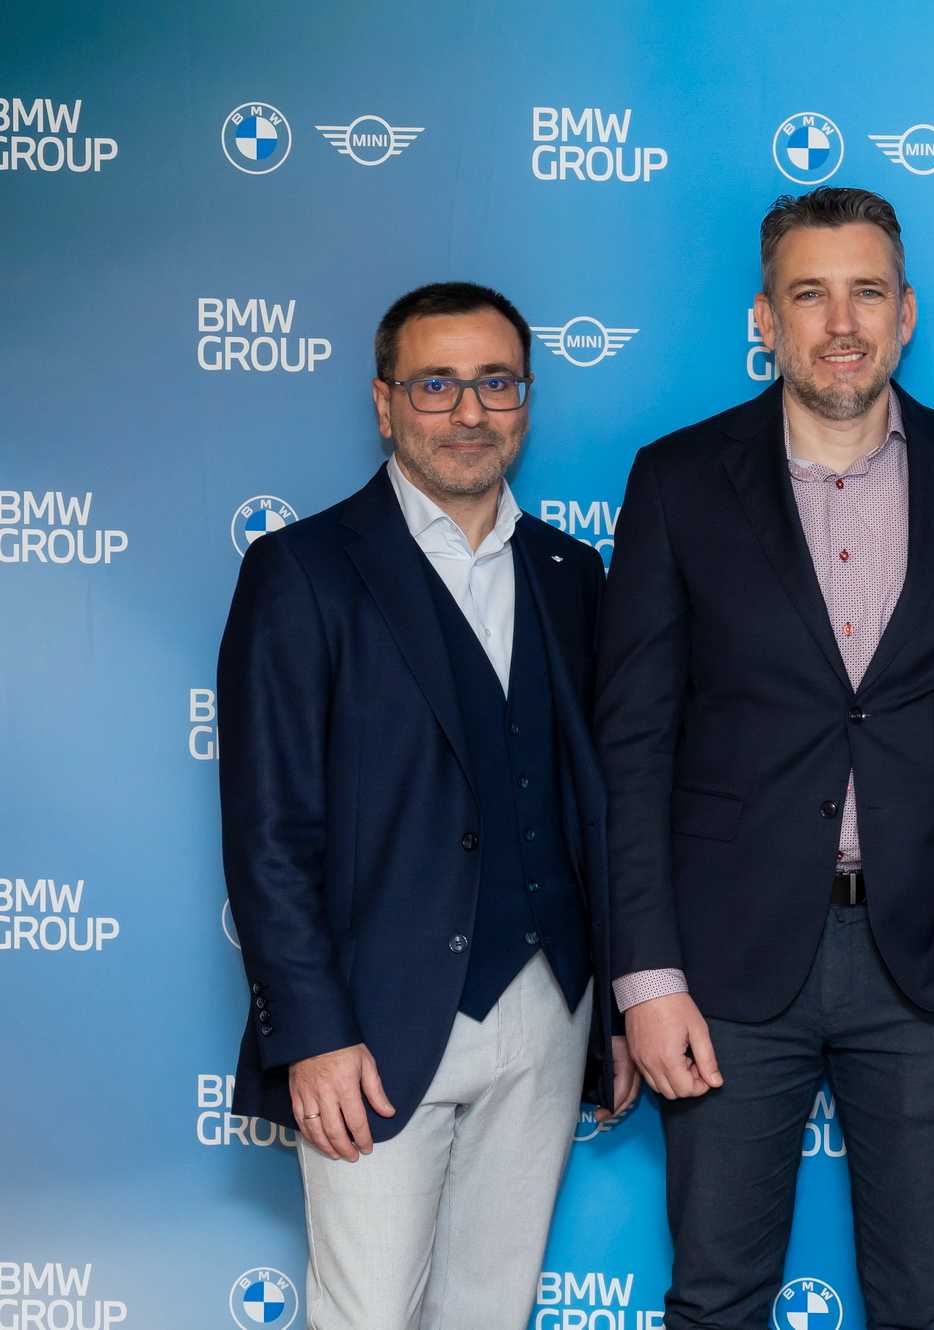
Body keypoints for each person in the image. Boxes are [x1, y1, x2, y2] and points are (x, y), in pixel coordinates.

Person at [594, 187, 934, 1330]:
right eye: (809, 294)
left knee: (925, 1305)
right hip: (721, 966)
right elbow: (633, 745)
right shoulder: (676, 481)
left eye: (867, 292)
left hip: (933, 962)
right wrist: (646, 977)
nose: (841, 322)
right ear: (765, 317)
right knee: (716, 1298)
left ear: (906, 313)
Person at [217, 280, 637, 1329]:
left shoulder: (571, 572)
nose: (469, 411)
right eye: (436, 384)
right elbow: (269, 831)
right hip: (372, 1021)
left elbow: (595, 808)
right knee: (368, 1313)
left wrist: (617, 1006)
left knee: (491, 1311)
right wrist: (312, 1032)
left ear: (526, 400)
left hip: (550, 1006)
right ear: (385, 401)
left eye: (496, 383)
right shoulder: (302, 570)